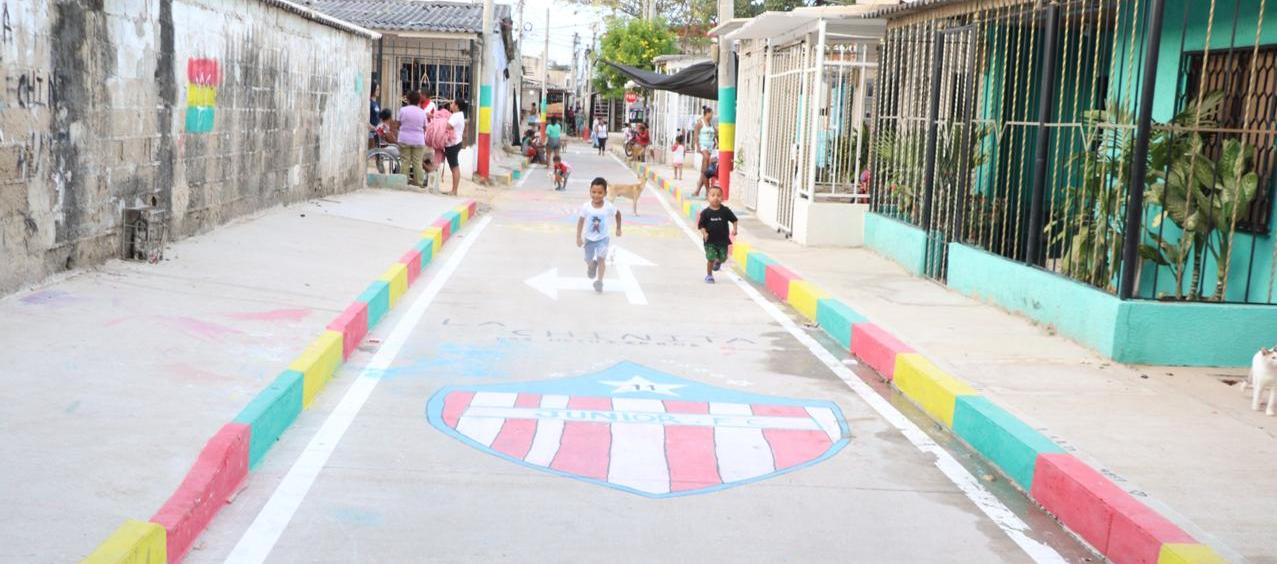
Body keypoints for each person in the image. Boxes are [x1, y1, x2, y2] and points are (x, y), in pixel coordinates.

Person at [577, 177, 622, 293]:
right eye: (594, 192)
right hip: (589, 239)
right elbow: (581, 221)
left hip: (603, 238)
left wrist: (618, 228)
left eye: (600, 193)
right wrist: (578, 237)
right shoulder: (586, 206)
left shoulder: (608, 206)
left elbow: (618, 214)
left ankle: (599, 281)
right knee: (588, 259)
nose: (596, 195)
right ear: (590, 191)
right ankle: (592, 266)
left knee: (602, 259)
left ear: (605, 193)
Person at [697, 185, 738, 284]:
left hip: (723, 240)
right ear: (708, 197)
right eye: (713, 195)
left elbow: (734, 220)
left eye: (718, 195)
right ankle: (709, 275)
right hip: (710, 241)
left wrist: (735, 229)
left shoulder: (725, 211)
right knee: (711, 257)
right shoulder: (705, 213)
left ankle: (719, 261)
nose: (716, 197)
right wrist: (704, 233)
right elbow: (701, 225)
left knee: (723, 258)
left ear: (722, 198)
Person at [397, 91, 429, 188]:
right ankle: (419, 183)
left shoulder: (403, 110)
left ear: (408, 99)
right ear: (419, 101)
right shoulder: (422, 112)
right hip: (418, 141)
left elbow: (398, 124)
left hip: (404, 139)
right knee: (417, 162)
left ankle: (403, 183)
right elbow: (425, 128)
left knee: (405, 161)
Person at [443, 99, 467, 196]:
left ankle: (454, 190)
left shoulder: (456, 116)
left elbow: (447, 126)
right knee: (454, 166)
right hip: (456, 143)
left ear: (457, 106)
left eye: (452, 103)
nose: (451, 104)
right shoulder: (459, 115)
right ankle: (454, 190)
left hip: (453, 144)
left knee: (454, 167)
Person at [694, 106, 715, 173]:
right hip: (703, 144)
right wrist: (697, 147)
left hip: (710, 146)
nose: (712, 115)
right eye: (711, 113)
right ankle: (706, 179)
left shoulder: (711, 123)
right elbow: (695, 135)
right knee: (706, 158)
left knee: (706, 162)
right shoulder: (700, 122)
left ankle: (701, 181)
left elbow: (714, 133)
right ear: (707, 113)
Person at [368, 81, 381, 148]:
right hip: (371, 132)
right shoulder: (369, 103)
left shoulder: (376, 103)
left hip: (375, 131)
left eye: (379, 89)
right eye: (377, 89)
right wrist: (373, 128)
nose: (378, 91)